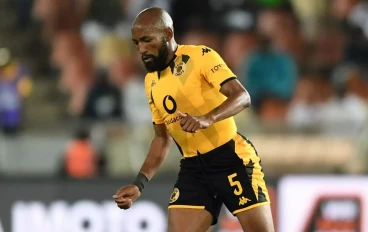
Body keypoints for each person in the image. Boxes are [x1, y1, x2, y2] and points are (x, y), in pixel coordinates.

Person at [113, 7, 274, 232]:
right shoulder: (150, 82)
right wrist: (139, 183)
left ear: (168, 34)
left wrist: (208, 118)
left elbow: (242, 96)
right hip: (194, 168)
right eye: (137, 43)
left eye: (147, 40)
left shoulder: (200, 57)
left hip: (231, 158)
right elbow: (161, 140)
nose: (141, 49)